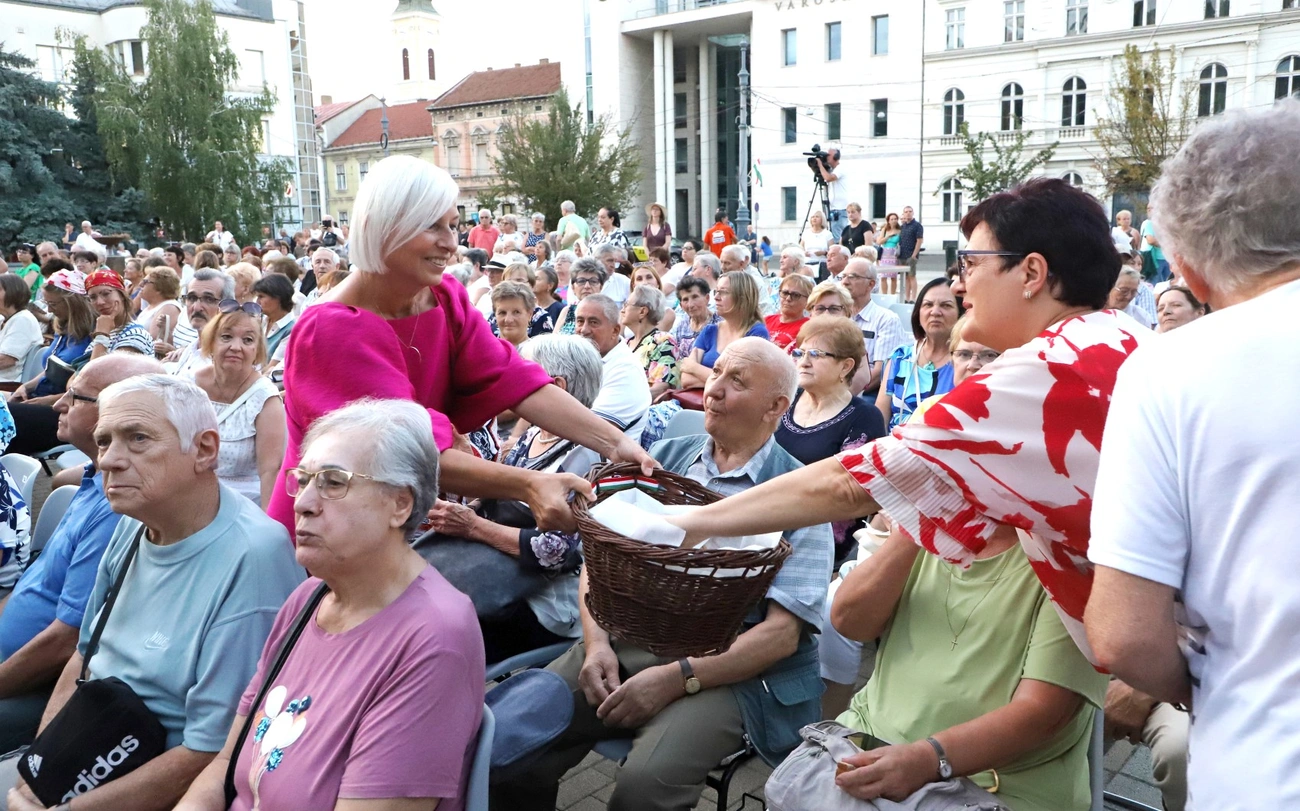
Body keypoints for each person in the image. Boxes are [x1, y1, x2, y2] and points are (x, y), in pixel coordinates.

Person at [664, 179, 1147, 705]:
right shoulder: (1120, 335)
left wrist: (685, 523)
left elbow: (849, 484)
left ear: (1031, 272)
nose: (961, 286)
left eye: (969, 263)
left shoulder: (1041, 371)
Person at [491, 338, 833, 811]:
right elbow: (601, 558)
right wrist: (595, 646)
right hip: (631, 636)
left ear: (776, 406)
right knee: (510, 742)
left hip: (731, 669)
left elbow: (780, 637)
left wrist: (676, 679)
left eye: (737, 382)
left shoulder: (801, 495)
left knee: (646, 787)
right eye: (716, 373)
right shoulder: (665, 457)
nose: (713, 389)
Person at [1086, 101, 1300, 811]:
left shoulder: (1172, 368)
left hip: (1263, 766)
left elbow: (1121, 633)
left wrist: (1212, 685)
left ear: (1188, 270)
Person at [269, 155, 652, 536]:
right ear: (383, 228)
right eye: (432, 226)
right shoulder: (329, 331)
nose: (451, 243)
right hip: (331, 534)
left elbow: (513, 378)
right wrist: (528, 484)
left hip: (393, 522)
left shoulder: (443, 296)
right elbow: (407, 451)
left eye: (452, 225)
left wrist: (616, 443)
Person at [0, 375, 304, 811]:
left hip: (155, 783)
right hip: (82, 747)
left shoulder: (254, 558)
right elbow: (84, 658)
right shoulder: (132, 523)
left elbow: (209, 752)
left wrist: (64, 810)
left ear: (204, 449)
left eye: (137, 439)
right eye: (104, 442)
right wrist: (39, 773)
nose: (110, 461)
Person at [174, 399, 482, 811]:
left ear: (400, 504)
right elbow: (227, 764)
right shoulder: (311, 596)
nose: (303, 502)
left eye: (333, 482)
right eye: (303, 480)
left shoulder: (435, 639)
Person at [0, 354, 162, 752]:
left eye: (75, 396)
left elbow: (66, 642)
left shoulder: (117, 509)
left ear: (114, 412)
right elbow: (31, 594)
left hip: (27, 690)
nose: (58, 403)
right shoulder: (96, 480)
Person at [417, 336, 603, 663]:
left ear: (555, 386)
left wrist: (473, 526)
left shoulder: (585, 457)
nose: (512, 389)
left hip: (540, 600)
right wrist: (465, 505)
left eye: (524, 378)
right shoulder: (532, 435)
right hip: (490, 571)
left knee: (431, 631)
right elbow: (498, 498)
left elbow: (556, 552)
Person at [777, 316, 886, 557]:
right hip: (764, 523)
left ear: (846, 366)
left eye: (815, 354)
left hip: (819, 541)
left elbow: (846, 493)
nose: (803, 362)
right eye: (799, 352)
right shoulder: (785, 399)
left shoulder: (865, 417)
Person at [192, 303, 285, 506]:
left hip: (241, 506)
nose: (236, 346)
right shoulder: (190, 385)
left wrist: (269, 529)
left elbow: (271, 471)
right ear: (210, 342)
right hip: (189, 500)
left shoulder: (265, 399)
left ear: (257, 350)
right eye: (226, 337)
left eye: (248, 340)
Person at [6, 270, 97, 456]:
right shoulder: (64, 327)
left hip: (63, 411)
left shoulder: (93, 336)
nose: (48, 310)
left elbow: (90, 390)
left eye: (53, 304)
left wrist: (47, 401)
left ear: (72, 303)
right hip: (41, 400)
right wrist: (27, 386)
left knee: (4, 417)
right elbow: (51, 368)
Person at [876, 278, 959, 429]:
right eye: (928, 305)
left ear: (961, 314)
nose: (935, 312)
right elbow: (879, 420)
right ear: (918, 313)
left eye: (946, 306)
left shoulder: (965, 363)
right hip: (893, 447)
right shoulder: (900, 358)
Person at [574, 295, 652, 444]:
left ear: (615, 330)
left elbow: (591, 432)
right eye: (580, 321)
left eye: (593, 322)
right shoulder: (579, 358)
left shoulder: (627, 371)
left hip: (602, 463)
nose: (584, 330)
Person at [679, 271, 769, 389]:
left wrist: (694, 368)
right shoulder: (710, 331)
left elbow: (743, 384)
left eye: (723, 292)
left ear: (741, 297)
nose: (716, 297)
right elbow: (686, 380)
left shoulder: (756, 334)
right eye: (716, 291)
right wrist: (725, 381)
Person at [841, 258, 910, 395]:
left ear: (871, 284)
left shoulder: (886, 320)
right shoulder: (837, 316)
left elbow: (880, 372)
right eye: (843, 277)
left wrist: (842, 395)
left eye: (852, 277)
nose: (845, 282)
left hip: (868, 391)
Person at [164, 269, 232, 380]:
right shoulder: (192, 348)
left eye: (208, 299)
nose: (196, 307)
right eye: (191, 298)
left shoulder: (229, 357)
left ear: (226, 306)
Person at [620, 285, 679, 399]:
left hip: (642, 409)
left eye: (626, 305)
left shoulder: (663, 341)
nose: (622, 310)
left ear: (642, 311)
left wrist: (625, 402)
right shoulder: (624, 344)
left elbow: (661, 389)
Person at [85, 269, 155, 359]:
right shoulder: (110, 330)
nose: (100, 302)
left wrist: (102, 335)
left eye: (106, 294)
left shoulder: (135, 336)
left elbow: (96, 372)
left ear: (122, 295)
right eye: (93, 297)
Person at [0, 276, 42, 384]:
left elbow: (5, 360)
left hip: (7, 383)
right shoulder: (6, 319)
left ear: (13, 293)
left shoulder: (23, 319)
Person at [252, 273, 297, 373]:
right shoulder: (261, 320)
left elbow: (272, 367)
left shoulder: (291, 330)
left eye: (261, 297)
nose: (257, 301)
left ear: (278, 298)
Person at [489, 280, 552, 350]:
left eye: (516, 312)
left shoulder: (538, 354)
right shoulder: (486, 351)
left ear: (530, 314)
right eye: (502, 313)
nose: (508, 320)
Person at [668, 276, 719, 361]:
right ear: (681, 305)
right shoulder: (680, 327)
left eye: (695, 297)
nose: (690, 305)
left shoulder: (719, 323)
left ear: (707, 298)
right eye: (685, 300)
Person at [553, 258, 606, 336]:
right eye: (581, 281)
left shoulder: (607, 312)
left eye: (593, 281)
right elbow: (553, 341)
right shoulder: (567, 311)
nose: (587, 286)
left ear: (601, 286)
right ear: (573, 287)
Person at [135, 265, 184, 348]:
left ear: (160, 288)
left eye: (145, 282)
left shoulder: (169, 307)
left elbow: (153, 342)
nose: (140, 284)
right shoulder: (152, 305)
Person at [765, 273, 814, 351]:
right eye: (785, 293)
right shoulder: (766, 320)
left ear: (807, 300)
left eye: (795, 295)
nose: (788, 298)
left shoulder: (808, 327)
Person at [815, 148, 852, 241]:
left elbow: (828, 178)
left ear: (835, 157)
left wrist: (820, 165)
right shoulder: (832, 170)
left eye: (829, 155)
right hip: (834, 208)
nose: (826, 157)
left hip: (840, 209)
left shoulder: (840, 168)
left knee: (837, 237)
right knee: (833, 234)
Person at [897, 205, 925, 302]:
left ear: (913, 213)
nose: (908, 213)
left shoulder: (917, 225)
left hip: (911, 255)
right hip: (902, 255)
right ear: (903, 213)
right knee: (905, 277)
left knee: (912, 276)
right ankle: (907, 297)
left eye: (910, 211)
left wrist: (914, 255)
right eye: (906, 211)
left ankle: (913, 298)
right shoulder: (902, 226)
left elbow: (919, 240)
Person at [1138, 205, 1170, 282]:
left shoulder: (1167, 223)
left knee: (1167, 284)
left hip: (1167, 258)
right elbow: (1151, 240)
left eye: (1151, 208)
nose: (1149, 210)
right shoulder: (1148, 223)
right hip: (1154, 260)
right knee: (1154, 285)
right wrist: (1167, 244)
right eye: (1148, 208)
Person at [876, 212, 903, 296]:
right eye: (892, 219)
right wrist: (888, 236)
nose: (894, 221)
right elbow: (879, 241)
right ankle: (884, 295)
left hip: (894, 254)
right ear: (888, 221)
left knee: (893, 276)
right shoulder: (885, 229)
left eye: (895, 219)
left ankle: (892, 295)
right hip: (885, 253)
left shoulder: (900, 230)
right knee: (883, 276)